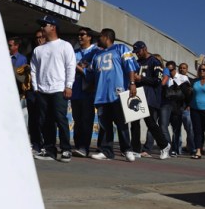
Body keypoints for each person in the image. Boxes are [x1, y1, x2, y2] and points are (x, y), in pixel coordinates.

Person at [88, 28, 138, 161]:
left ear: (106, 37)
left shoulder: (121, 48)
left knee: (121, 123)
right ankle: (106, 151)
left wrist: (132, 83)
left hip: (117, 93)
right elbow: (92, 73)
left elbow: (130, 66)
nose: (98, 39)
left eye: (100, 37)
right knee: (104, 125)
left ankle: (127, 149)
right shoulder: (96, 55)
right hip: (101, 95)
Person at [30, 15, 75, 162]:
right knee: (45, 121)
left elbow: (70, 67)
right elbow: (34, 70)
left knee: (60, 119)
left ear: (53, 27)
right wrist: (36, 88)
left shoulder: (65, 45)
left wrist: (69, 85)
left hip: (59, 89)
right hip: (42, 90)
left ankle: (66, 150)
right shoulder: (38, 50)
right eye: (42, 25)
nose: (42, 28)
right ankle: (49, 150)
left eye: (45, 25)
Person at [128, 42, 171, 159]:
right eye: (135, 52)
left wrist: (141, 78)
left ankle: (164, 145)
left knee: (150, 123)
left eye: (138, 51)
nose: (137, 54)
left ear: (145, 49)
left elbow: (158, 80)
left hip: (150, 97)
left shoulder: (154, 61)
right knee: (134, 124)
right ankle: (136, 149)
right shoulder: (136, 63)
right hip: (137, 96)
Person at [70, 27, 98, 157]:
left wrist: (80, 68)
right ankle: (77, 146)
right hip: (75, 91)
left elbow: (95, 71)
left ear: (89, 37)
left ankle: (84, 147)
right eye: (78, 35)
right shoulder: (73, 52)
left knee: (87, 120)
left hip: (88, 92)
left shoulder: (95, 52)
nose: (80, 37)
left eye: (82, 34)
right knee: (77, 120)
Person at [25, 29, 47, 154]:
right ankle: (35, 144)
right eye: (37, 37)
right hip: (32, 90)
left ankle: (45, 144)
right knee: (32, 119)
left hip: (45, 90)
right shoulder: (31, 54)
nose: (39, 39)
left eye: (42, 37)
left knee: (43, 119)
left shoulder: (50, 52)